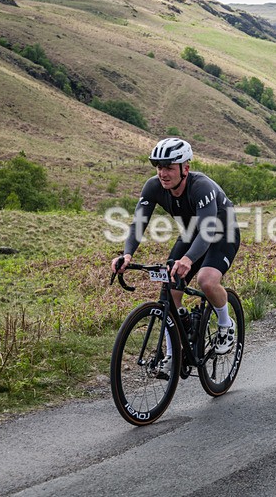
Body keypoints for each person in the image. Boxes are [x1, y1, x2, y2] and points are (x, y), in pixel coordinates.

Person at [111, 138, 240, 376]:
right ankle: (174, 352)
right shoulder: (153, 187)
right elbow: (138, 224)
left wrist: (189, 260)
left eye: (169, 167)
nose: (163, 173)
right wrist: (126, 255)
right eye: (159, 167)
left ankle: (225, 324)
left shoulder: (202, 187)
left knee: (206, 280)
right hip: (192, 234)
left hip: (222, 233)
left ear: (185, 168)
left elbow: (209, 231)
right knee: (170, 288)